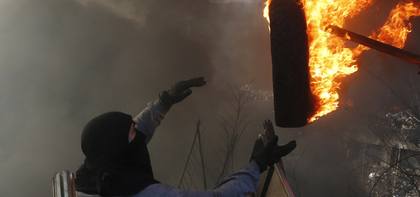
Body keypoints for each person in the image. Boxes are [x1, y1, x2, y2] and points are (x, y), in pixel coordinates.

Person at [75, 77, 296, 197]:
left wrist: (164, 102)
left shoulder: (98, 171)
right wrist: (258, 166)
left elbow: (137, 131)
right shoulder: (146, 193)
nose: (138, 131)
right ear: (119, 149)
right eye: (131, 131)